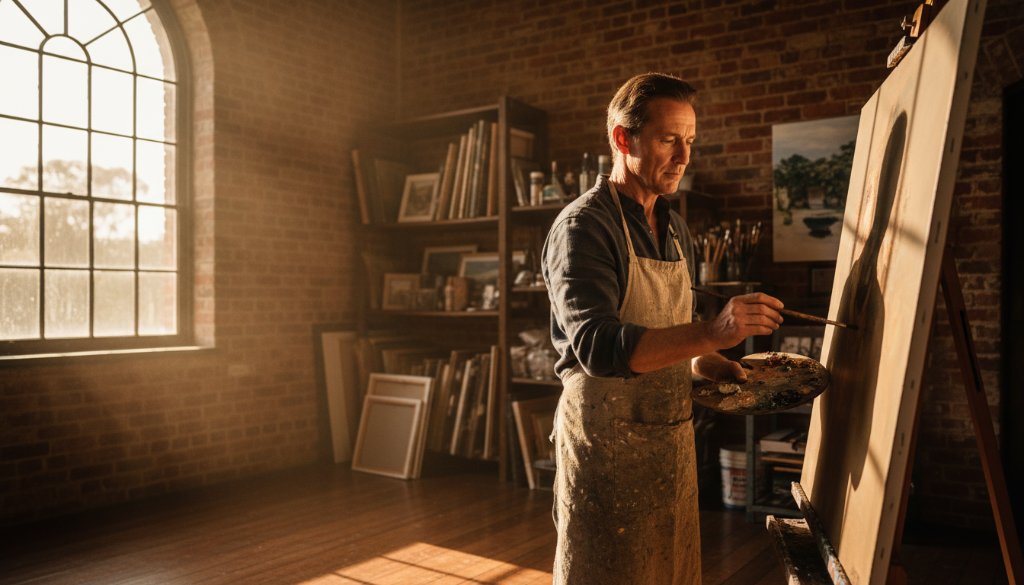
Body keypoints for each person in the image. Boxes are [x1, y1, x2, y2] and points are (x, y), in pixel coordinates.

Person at [542, 72, 785, 585]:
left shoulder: (675, 229)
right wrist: (714, 331)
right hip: (605, 447)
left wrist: (711, 363)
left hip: (670, 446)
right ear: (622, 138)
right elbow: (599, 349)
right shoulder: (584, 227)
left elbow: (671, 335)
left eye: (690, 141)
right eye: (668, 139)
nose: (683, 157)